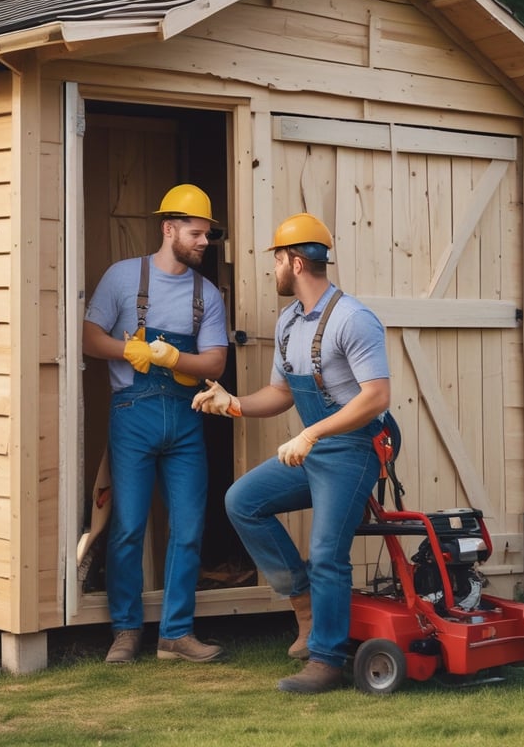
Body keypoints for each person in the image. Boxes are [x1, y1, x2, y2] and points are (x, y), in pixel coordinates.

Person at [192, 213, 391, 693]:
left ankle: (327, 661)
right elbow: (280, 393)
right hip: (319, 448)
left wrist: (309, 436)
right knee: (243, 501)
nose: (274, 269)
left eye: (277, 259)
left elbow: (375, 397)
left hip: (356, 447)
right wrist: (234, 404)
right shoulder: (288, 323)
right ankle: (302, 604)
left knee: (326, 552)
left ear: (296, 262)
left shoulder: (352, 318)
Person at [83, 183, 229, 664]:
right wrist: (129, 349)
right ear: (169, 229)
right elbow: (88, 337)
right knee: (127, 527)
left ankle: (176, 634)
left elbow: (215, 363)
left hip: (187, 421)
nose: (205, 242)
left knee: (188, 529)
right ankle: (125, 631)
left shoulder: (206, 294)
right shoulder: (124, 278)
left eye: (207, 234)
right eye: (196, 233)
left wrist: (173, 356)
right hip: (133, 415)